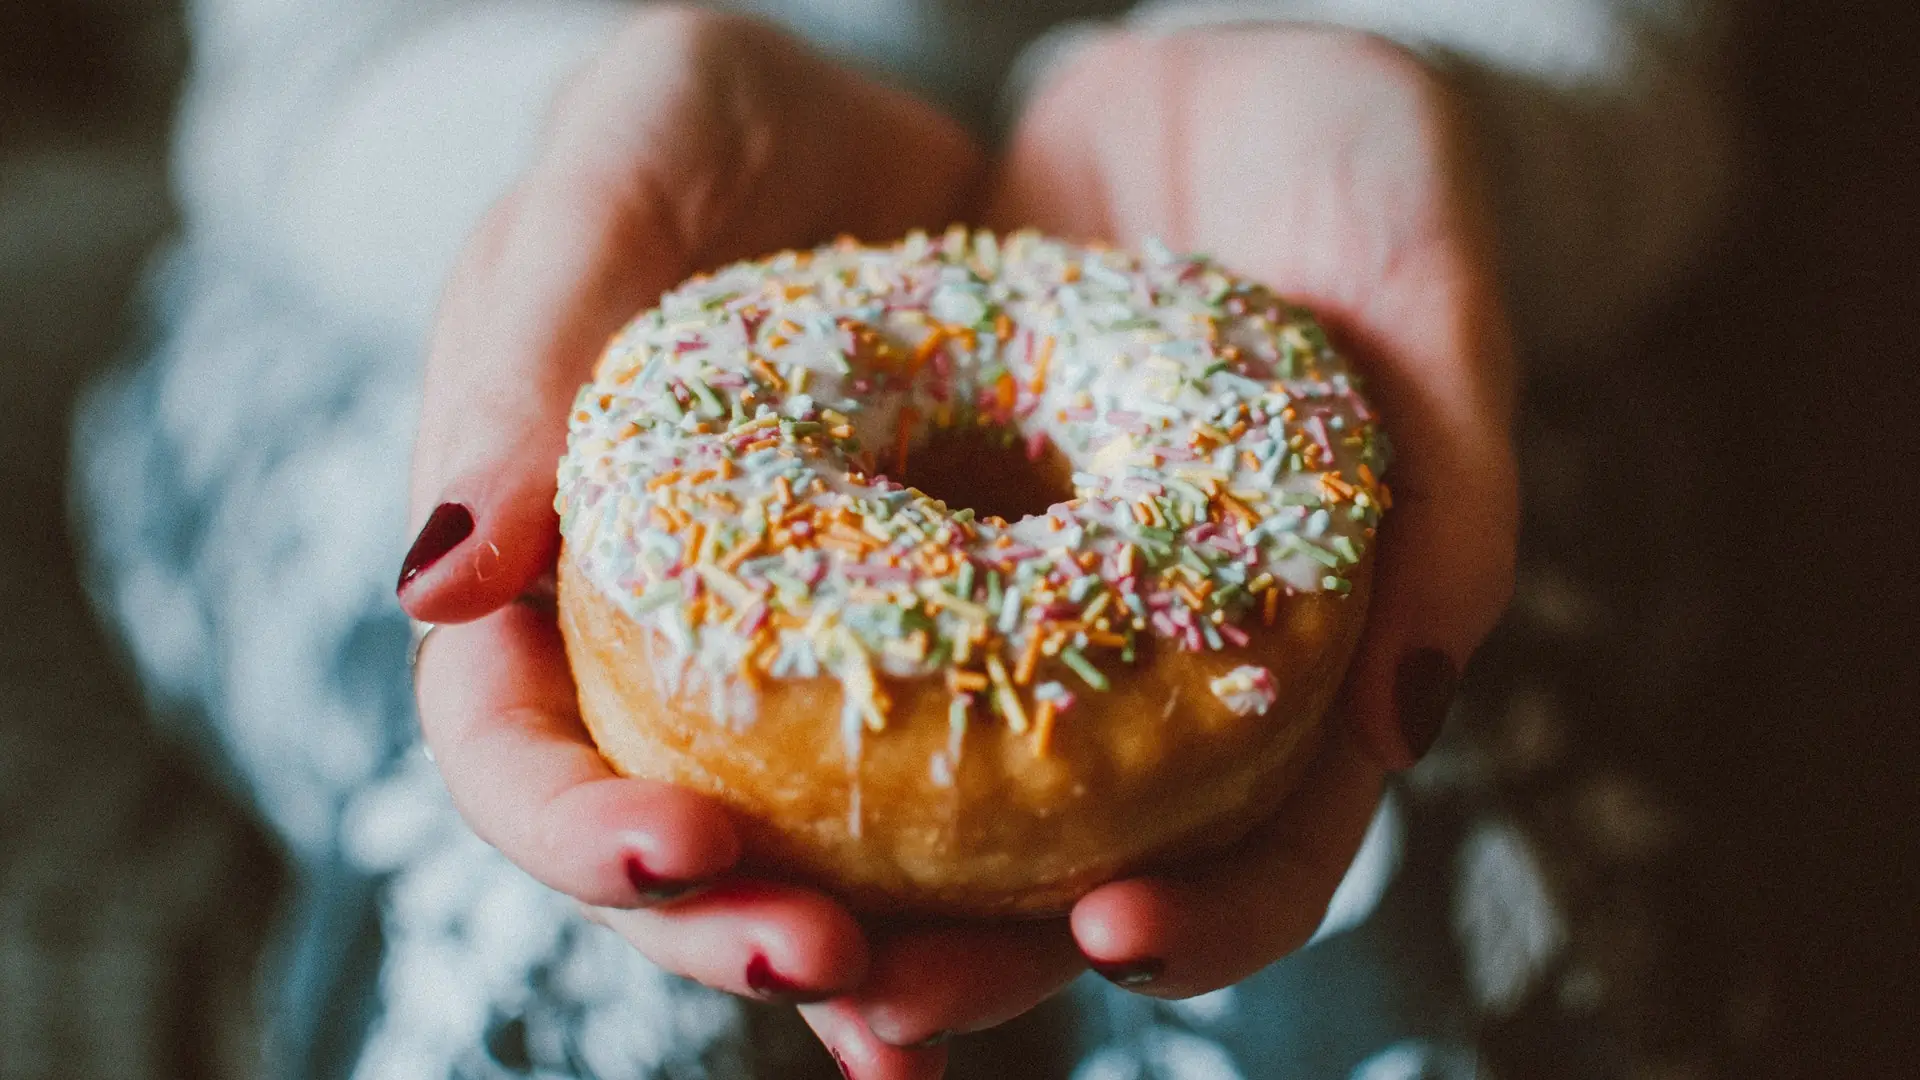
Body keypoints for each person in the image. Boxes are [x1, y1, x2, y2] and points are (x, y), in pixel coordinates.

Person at [76, 1, 1730, 1077]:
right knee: (538, 949)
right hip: (440, 255)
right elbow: (311, 65)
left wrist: (1404, 94)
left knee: (1445, 902)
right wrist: (581, 145)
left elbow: (1632, 56)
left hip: (1340, 279)